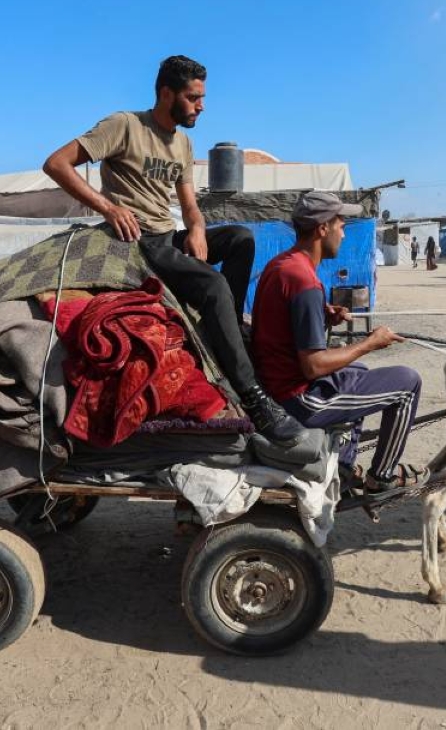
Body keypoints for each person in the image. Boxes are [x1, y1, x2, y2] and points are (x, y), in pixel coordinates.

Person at [43, 55, 304, 444]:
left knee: (241, 238)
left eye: (202, 97)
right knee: (214, 284)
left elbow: (189, 205)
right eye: (193, 97)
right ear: (166, 94)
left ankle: (228, 332)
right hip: (138, 242)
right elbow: (56, 164)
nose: (201, 106)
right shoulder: (124, 126)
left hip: (169, 234)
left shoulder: (183, 142)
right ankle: (253, 398)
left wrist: (196, 228)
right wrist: (109, 208)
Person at [251, 191, 424, 491]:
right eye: (341, 226)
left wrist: (322, 314)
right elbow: (313, 366)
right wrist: (370, 342)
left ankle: (343, 467)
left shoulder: (282, 265)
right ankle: (381, 477)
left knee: (359, 372)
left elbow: (286, 321)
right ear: (322, 228)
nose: (343, 234)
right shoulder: (304, 281)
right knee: (408, 383)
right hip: (298, 399)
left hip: (276, 384)